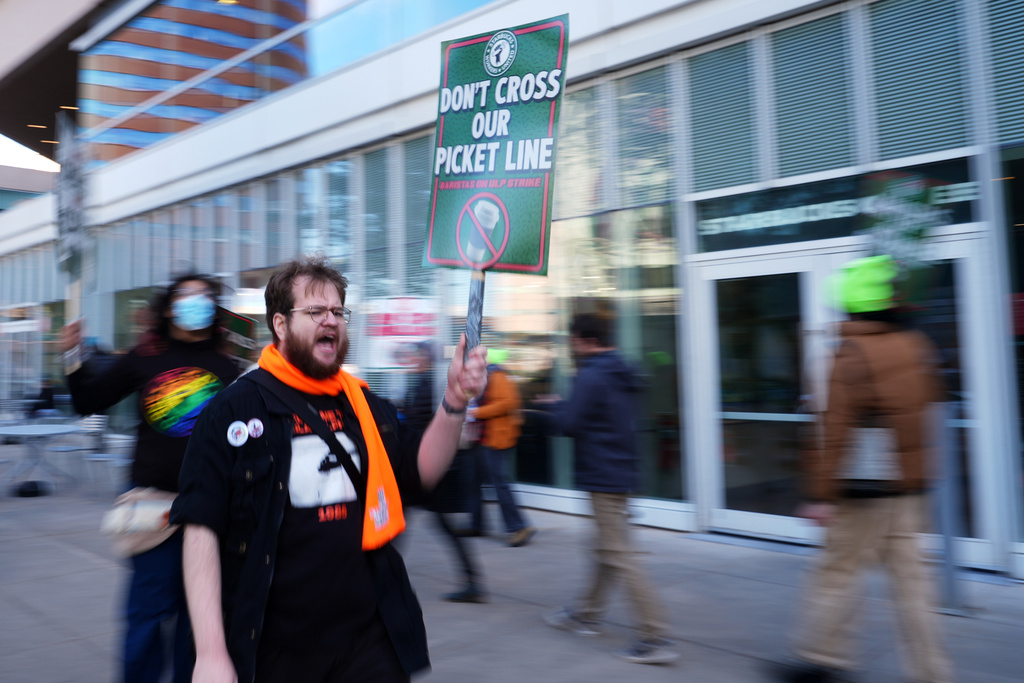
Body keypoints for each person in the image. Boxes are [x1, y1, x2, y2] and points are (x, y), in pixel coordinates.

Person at [169, 254, 487, 683]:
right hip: (273, 648)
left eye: (338, 311)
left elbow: (421, 471)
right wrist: (209, 654)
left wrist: (453, 401)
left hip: (368, 641)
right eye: (315, 311)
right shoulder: (234, 410)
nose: (331, 321)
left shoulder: (364, 404)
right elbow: (201, 528)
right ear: (280, 325)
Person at [772, 255, 954, 683]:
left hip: (864, 494)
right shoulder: (917, 346)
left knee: (837, 573)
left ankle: (823, 658)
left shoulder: (848, 354)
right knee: (914, 587)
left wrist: (819, 495)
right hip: (912, 491)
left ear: (850, 305)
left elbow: (834, 433)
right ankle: (932, 673)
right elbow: (932, 402)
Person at [60, 274, 240, 683]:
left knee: (197, 617)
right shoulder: (144, 356)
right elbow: (87, 401)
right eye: (186, 295)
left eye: (205, 297)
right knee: (146, 613)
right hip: (151, 508)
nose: (196, 303)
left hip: (209, 509)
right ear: (169, 306)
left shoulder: (227, 366)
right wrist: (71, 354)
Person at [541, 312, 677, 665]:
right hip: (623, 472)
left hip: (603, 476)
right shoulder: (622, 370)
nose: (572, 347)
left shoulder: (592, 375)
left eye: (573, 341)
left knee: (620, 555)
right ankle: (587, 612)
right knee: (605, 550)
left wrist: (554, 408)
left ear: (587, 340)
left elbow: (568, 424)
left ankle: (655, 636)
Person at [405, 341, 486, 604]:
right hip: (417, 465)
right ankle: (472, 580)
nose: (412, 361)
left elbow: (426, 424)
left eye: (416, 357)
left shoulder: (429, 385)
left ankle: (472, 581)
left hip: (426, 468)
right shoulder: (418, 383)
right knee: (400, 523)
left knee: (401, 523)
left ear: (426, 359)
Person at [465, 348, 536, 547]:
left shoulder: (499, 376)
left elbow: (507, 403)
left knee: (499, 484)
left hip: (495, 439)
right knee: (473, 481)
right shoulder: (486, 377)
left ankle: (519, 527)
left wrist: (476, 412)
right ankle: (475, 523)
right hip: (482, 439)